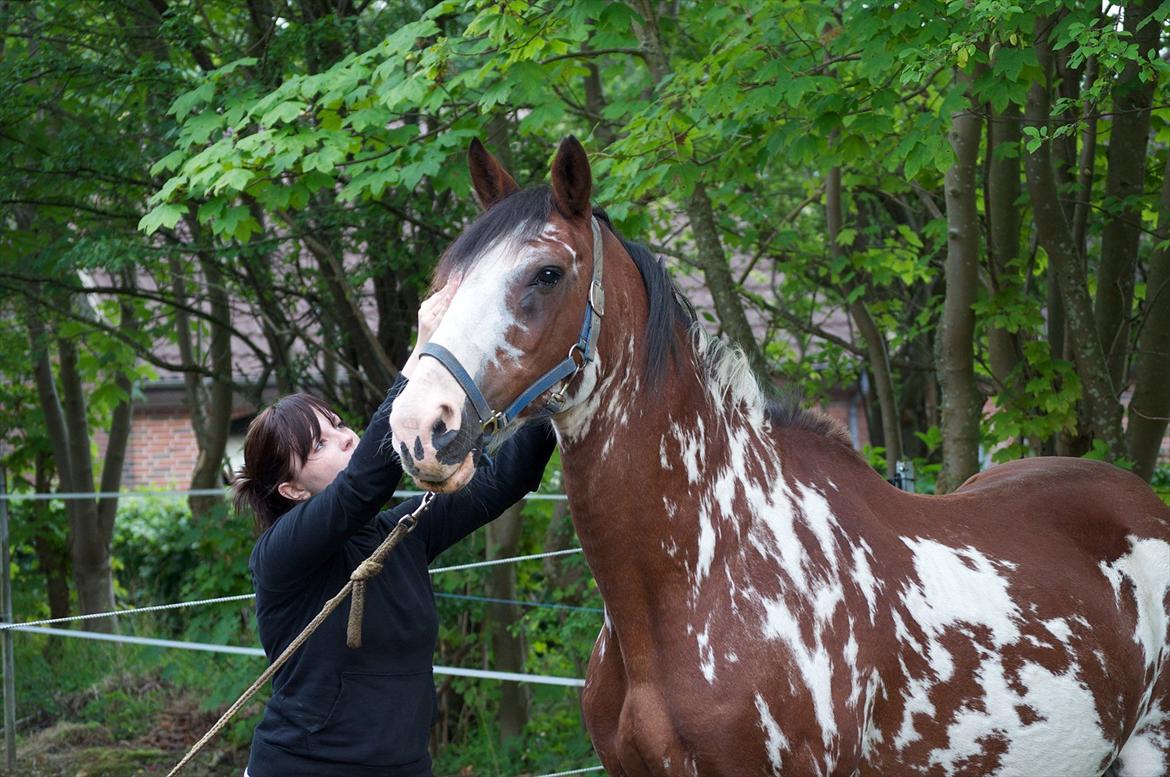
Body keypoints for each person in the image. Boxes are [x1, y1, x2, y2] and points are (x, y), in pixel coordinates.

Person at [231, 288, 556, 777]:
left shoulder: (401, 533)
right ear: (292, 490)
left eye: (339, 424)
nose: (345, 436)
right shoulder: (281, 555)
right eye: (320, 445)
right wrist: (424, 352)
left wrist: (555, 387)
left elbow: (506, 478)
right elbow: (362, 484)